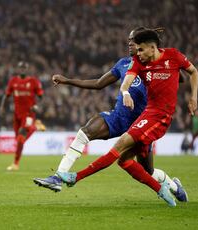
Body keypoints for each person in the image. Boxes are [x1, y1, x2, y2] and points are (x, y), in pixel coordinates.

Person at [34, 27, 188, 203]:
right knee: (85, 132)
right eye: (129, 40)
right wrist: (68, 81)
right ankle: (57, 178)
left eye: (134, 40)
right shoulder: (123, 64)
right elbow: (99, 83)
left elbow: (179, 75)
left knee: (148, 171)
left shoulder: (155, 63)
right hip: (118, 117)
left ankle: (173, 185)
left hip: (141, 123)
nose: (130, 43)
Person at [0, 61, 45, 171]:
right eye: (21, 68)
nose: (23, 70)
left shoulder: (33, 81)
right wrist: (2, 107)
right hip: (17, 114)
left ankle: (15, 163)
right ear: (18, 69)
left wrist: (37, 106)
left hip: (29, 114)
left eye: (25, 68)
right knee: (19, 139)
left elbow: (41, 96)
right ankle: (35, 127)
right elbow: (7, 95)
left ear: (28, 69)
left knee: (21, 136)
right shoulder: (13, 81)